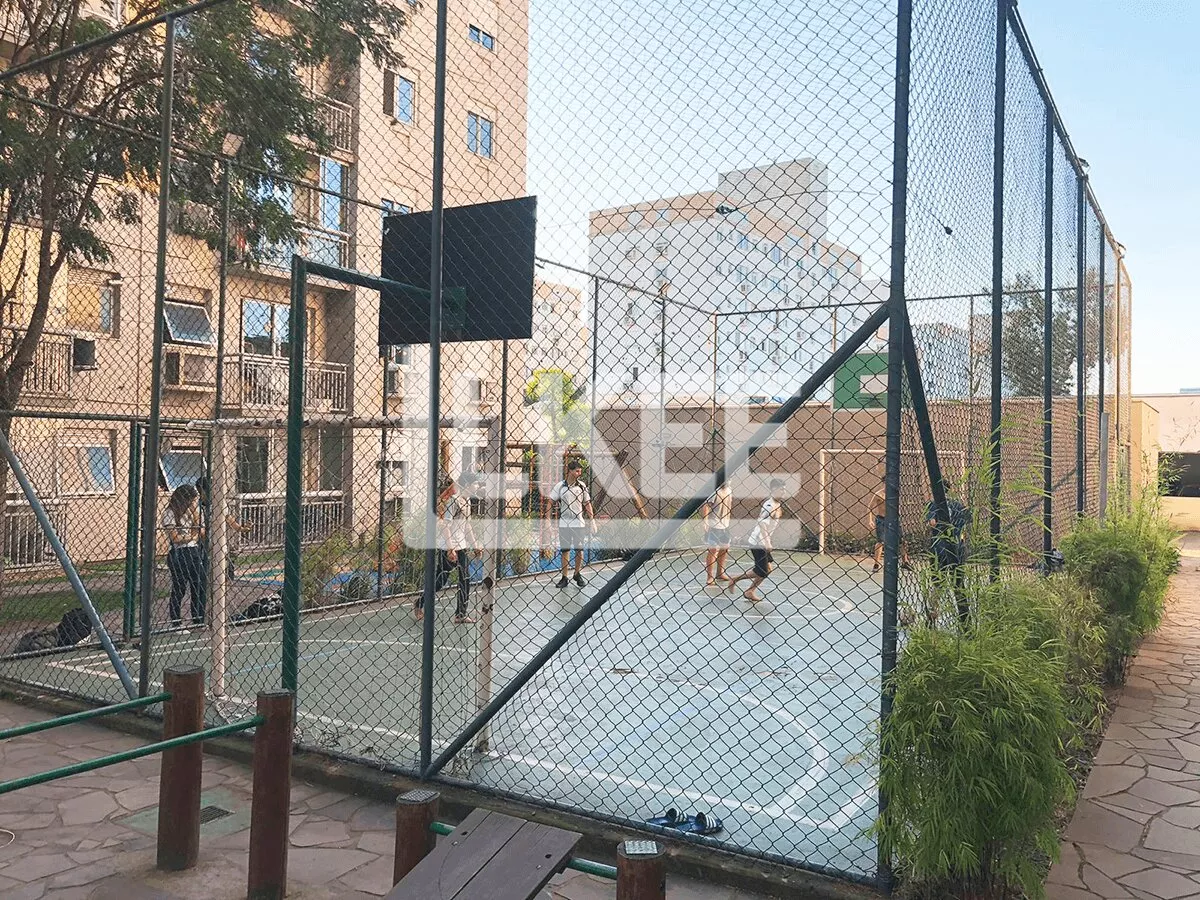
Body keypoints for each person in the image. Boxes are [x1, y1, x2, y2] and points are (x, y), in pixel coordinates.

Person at [425, 475, 479, 624]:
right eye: (475, 484)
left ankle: (460, 614)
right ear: (467, 485)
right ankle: (420, 602)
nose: (477, 487)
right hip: (448, 546)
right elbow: (445, 526)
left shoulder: (467, 501)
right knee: (441, 581)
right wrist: (450, 549)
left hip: (462, 546)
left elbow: (467, 526)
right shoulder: (453, 501)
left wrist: (475, 545)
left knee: (465, 579)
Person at [727, 478, 785, 602]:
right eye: (781, 489)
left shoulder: (777, 504)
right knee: (762, 571)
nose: (783, 492)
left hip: (762, 541)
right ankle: (735, 579)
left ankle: (750, 591)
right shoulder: (769, 505)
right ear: (773, 490)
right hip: (758, 542)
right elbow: (762, 524)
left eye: (784, 489)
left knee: (768, 569)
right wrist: (767, 542)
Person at [162, 484, 206, 631]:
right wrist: (191, 536)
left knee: (199, 585)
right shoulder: (170, 513)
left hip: (194, 550)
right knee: (179, 588)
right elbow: (175, 538)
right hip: (179, 553)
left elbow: (201, 532)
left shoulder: (193, 512)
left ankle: (198, 619)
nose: (193, 504)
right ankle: (176, 623)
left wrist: (195, 514)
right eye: (192, 501)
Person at [195, 476, 251, 582]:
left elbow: (229, 519)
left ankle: (225, 583)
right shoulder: (197, 506)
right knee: (206, 572)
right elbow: (199, 529)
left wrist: (242, 528)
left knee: (224, 570)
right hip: (203, 543)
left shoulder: (219, 503)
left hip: (219, 541)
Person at [549, 459, 594, 588]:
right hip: (564, 523)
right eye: (577, 471)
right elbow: (550, 502)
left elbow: (587, 503)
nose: (579, 473)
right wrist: (547, 520)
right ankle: (564, 577)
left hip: (578, 523)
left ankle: (577, 574)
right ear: (570, 471)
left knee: (579, 550)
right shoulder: (560, 486)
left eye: (580, 471)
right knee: (565, 550)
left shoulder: (582, 486)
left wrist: (592, 520)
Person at [926, 495, 971, 624]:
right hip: (957, 547)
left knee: (938, 584)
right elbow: (966, 523)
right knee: (958, 583)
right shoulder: (958, 505)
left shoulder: (934, 504)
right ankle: (964, 617)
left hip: (939, 548)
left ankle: (933, 613)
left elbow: (932, 523)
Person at [866, 475, 911, 573]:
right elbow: (869, 507)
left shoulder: (895, 493)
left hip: (894, 519)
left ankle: (905, 561)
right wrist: (870, 520)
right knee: (880, 541)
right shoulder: (879, 494)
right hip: (881, 519)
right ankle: (876, 563)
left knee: (902, 541)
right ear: (884, 483)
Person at [702, 481, 733, 585]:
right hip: (714, 525)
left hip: (725, 525)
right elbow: (706, 506)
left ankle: (720, 573)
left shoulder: (729, 490)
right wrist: (705, 521)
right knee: (713, 549)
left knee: (725, 548)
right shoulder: (714, 491)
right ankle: (710, 577)